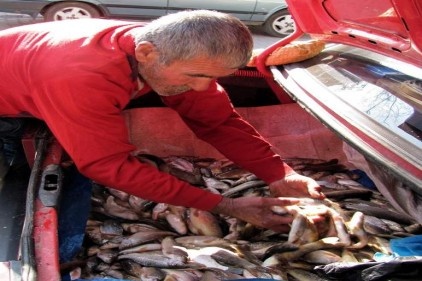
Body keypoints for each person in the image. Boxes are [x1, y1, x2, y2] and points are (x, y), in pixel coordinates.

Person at [0, 10, 324, 233]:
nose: (202, 87)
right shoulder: (82, 76)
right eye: (196, 76)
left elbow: (218, 122)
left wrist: (279, 174)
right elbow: (106, 166)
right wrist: (225, 205)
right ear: (146, 53)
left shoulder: (171, 53)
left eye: (212, 77)